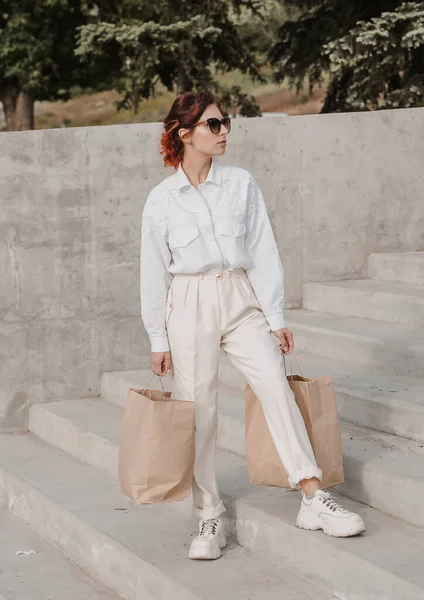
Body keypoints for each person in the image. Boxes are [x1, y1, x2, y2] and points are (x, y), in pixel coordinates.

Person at [140, 90, 365, 560]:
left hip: (240, 299)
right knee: (198, 411)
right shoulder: (161, 201)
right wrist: (157, 337)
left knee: (276, 390)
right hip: (189, 301)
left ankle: (312, 495)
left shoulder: (241, 184)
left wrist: (275, 315)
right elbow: (152, 271)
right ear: (186, 135)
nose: (225, 133)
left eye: (226, 124)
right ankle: (209, 516)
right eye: (214, 125)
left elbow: (263, 252)